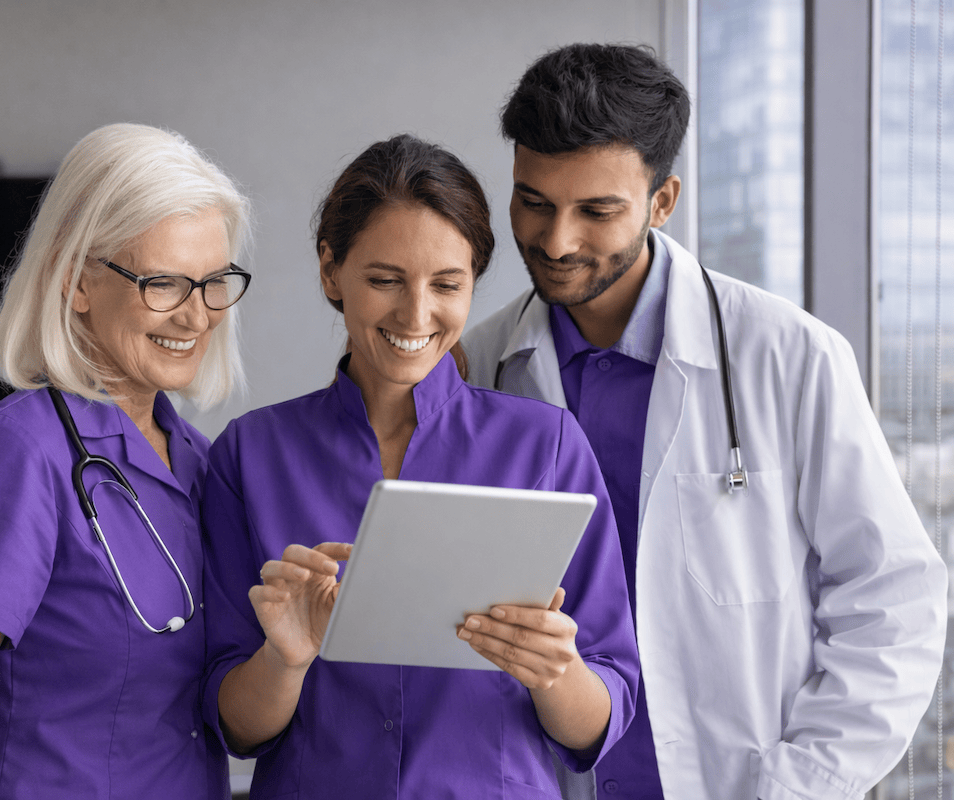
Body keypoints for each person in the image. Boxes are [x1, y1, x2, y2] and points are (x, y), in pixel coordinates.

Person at [461, 43, 949, 799]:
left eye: (597, 211)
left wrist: (799, 785)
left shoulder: (790, 357)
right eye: (534, 201)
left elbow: (894, 601)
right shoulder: (480, 365)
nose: (557, 241)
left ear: (663, 202)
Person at [202, 134, 639, 799]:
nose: (416, 313)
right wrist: (284, 660)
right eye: (384, 280)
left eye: (447, 284)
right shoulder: (250, 454)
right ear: (330, 271)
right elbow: (235, 725)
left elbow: (600, 719)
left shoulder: (546, 444)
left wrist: (554, 670)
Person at [0, 123, 251, 800]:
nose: (195, 317)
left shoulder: (197, 461)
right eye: (163, 283)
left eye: (212, 282)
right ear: (76, 282)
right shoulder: (18, 455)